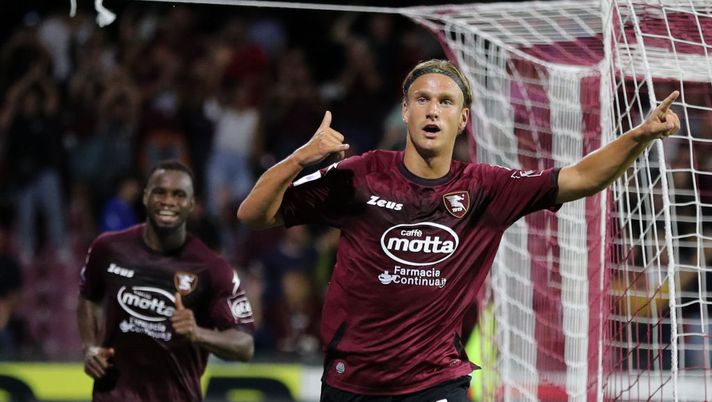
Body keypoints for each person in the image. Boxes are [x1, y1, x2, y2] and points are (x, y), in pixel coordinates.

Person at [237, 59, 680, 400]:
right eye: (423, 100)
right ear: (406, 111)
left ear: (463, 119)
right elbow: (253, 215)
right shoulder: (360, 174)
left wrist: (639, 136)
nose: (434, 110)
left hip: (436, 380)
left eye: (446, 102)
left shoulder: (486, 188)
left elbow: (581, 178)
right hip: (353, 380)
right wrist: (300, 158)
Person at [77, 160, 255, 402]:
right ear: (145, 196)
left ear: (192, 204)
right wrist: (90, 347)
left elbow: (244, 345)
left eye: (179, 195)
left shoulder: (213, 269)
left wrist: (198, 333)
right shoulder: (107, 248)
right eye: (160, 192)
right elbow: (88, 297)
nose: (168, 201)